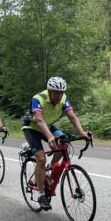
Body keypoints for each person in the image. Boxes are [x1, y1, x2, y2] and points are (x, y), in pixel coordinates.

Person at [22, 76, 90, 210]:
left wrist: (82, 133)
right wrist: (50, 136)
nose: (59, 96)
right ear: (49, 91)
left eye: (61, 92)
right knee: (41, 159)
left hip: (47, 126)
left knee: (63, 143)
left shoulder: (64, 99)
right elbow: (39, 120)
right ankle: (41, 194)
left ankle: (50, 168)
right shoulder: (38, 98)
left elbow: (72, 116)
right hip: (32, 128)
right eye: (56, 93)